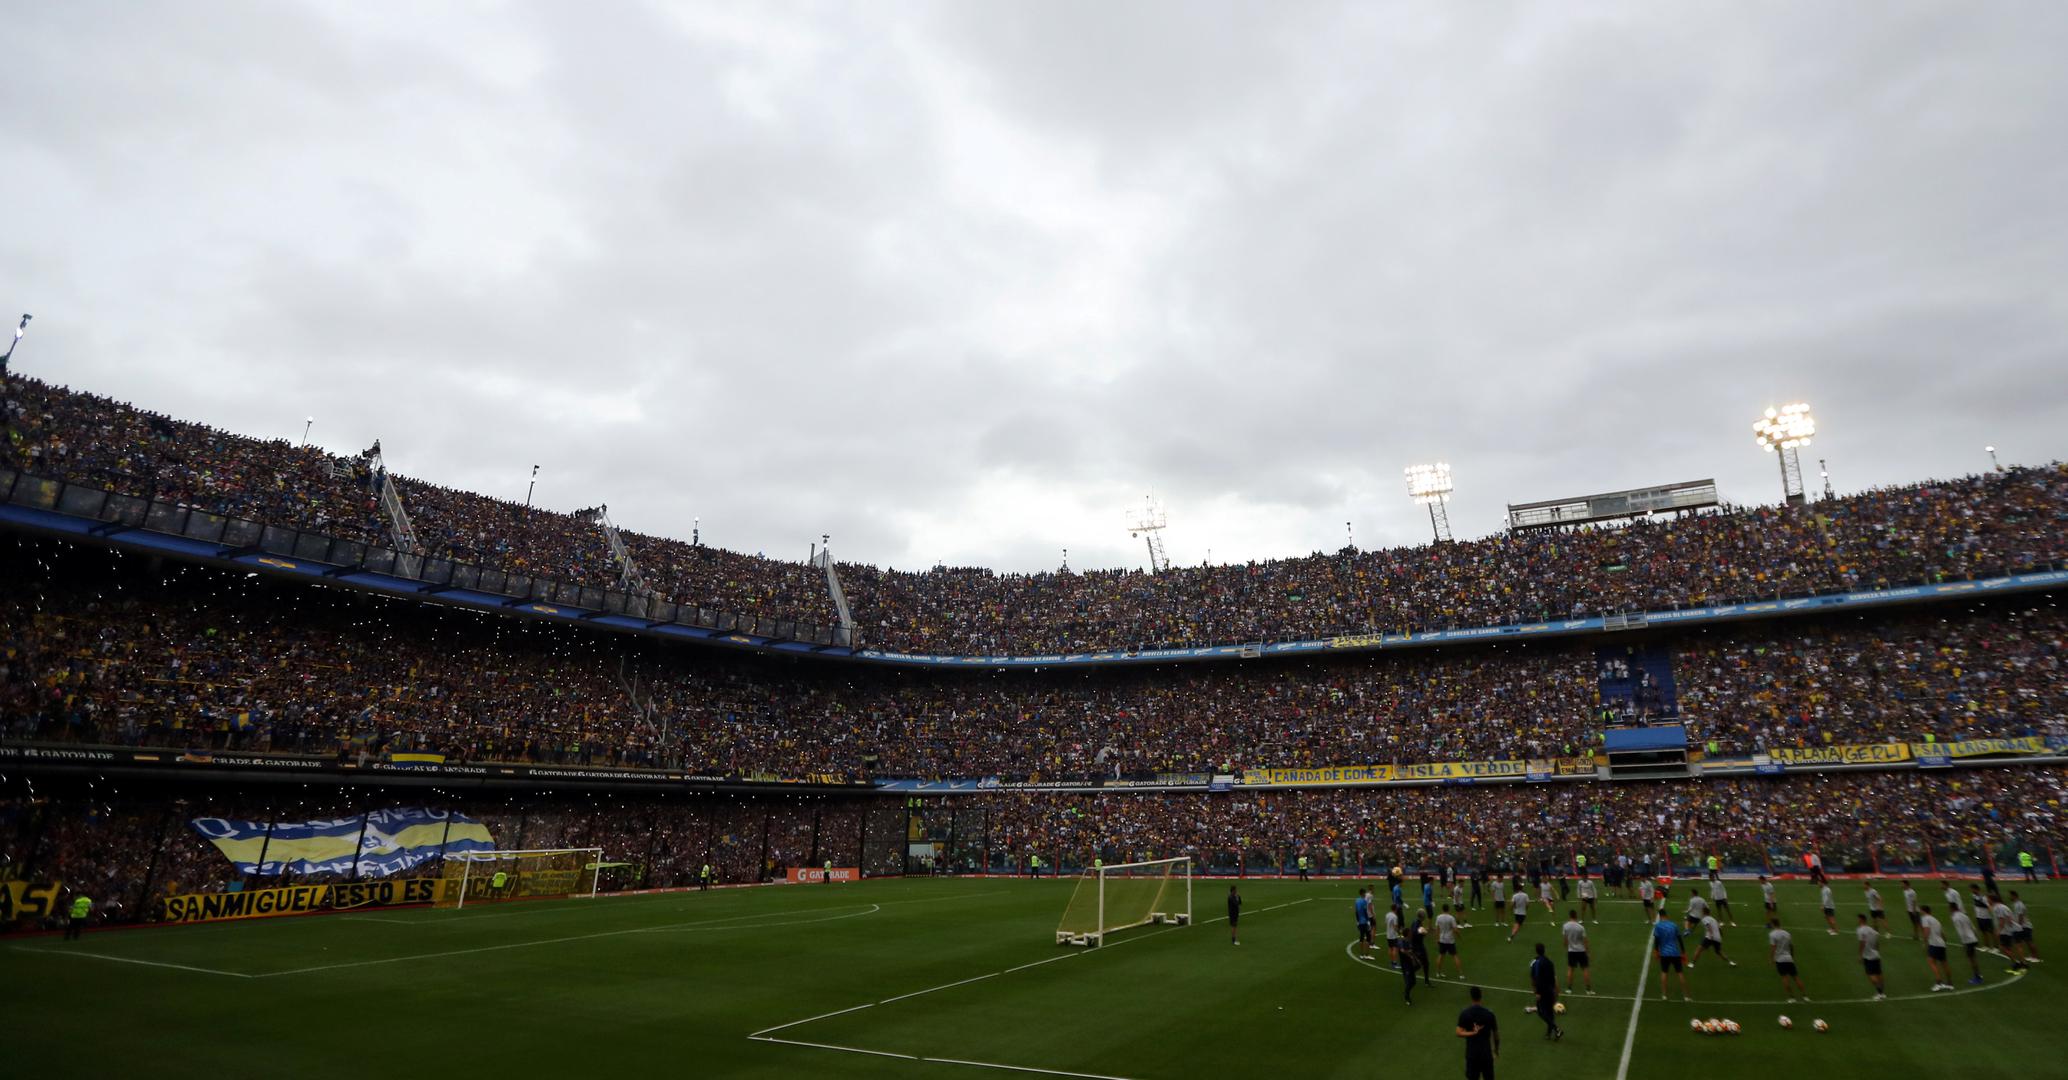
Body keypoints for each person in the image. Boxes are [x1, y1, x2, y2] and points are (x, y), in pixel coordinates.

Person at [1456, 986, 1500, 1080]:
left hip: (1472, 1054)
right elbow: (1496, 1035)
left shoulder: (1465, 1013)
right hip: (1486, 1054)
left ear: (1471, 997)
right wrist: (1496, 1050)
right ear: (1481, 996)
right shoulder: (1489, 1014)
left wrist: (1472, 1033)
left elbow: (1459, 1033)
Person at [1652, 911, 1690, 1001]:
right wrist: (1683, 952)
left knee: (1664, 972)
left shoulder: (1658, 926)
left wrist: (1656, 952)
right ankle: (1686, 996)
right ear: (1667, 915)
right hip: (1675, 952)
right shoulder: (1674, 925)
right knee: (1680, 973)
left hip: (1664, 953)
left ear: (1660, 916)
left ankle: (1664, 995)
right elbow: (1679, 939)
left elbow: (1657, 940)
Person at [1529, 943, 1563, 1040]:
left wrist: (1537, 991)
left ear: (1536, 950)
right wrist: (1556, 990)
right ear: (1544, 950)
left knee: (1540, 1011)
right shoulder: (1549, 962)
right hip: (1550, 989)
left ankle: (1557, 1029)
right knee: (1549, 1012)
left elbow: (1535, 978)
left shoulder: (1535, 962)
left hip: (1542, 990)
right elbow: (1554, 977)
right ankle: (1549, 1034)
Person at [1769, 919, 1809, 1002]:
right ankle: (1805, 996)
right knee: (1796, 977)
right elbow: (1791, 946)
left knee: (1785, 978)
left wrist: (1772, 958)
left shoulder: (1772, 934)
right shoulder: (1787, 933)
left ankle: (1792, 997)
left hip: (1780, 960)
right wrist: (1792, 956)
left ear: (1773, 924)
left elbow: (1773, 948)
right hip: (1789, 958)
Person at [1990, 894, 2028, 973]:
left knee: (2005, 947)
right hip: (2012, 929)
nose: (1987, 901)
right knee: (2012, 947)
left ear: (1992, 899)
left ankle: (2019, 963)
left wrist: (1998, 931)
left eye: (1988, 899)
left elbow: (2002, 920)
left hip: (2010, 930)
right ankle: (2020, 963)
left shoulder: (1998, 907)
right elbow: (2008, 919)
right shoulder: (2002, 906)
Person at [1921, 905, 1953, 991]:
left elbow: (1926, 930)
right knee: (1944, 963)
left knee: (1931, 962)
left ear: (1924, 911)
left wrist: (1925, 942)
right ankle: (1950, 983)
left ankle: (1939, 983)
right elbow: (1942, 933)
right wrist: (1944, 942)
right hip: (1941, 944)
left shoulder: (1925, 919)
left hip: (1934, 944)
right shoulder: (1936, 920)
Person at [1561, 910, 1593, 994]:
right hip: (1581, 950)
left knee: (1570, 969)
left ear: (1569, 916)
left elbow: (1565, 939)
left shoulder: (1565, 926)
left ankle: (1569, 989)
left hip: (1571, 950)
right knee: (1585, 969)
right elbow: (1585, 941)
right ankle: (1588, 989)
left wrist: (1566, 947)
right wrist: (1588, 952)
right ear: (1576, 916)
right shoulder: (1580, 927)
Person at [1856, 914, 1887, 1001]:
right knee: (1879, 974)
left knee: (1871, 975)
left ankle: (1879, 993)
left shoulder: (1860, 930)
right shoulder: (1872, 930)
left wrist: (1860, 955)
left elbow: (1862, 943)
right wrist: (1877, 951)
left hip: (1868, 956)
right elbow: (1877, 943)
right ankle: (1882, 993)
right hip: (1876, 955)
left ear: (1861, 920)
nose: (1857, 921)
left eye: (1858, 919)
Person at [1950, 904, 1983, 985]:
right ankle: (1978, 975)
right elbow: (1973, 927)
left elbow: (1960, 932)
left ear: (1952, 909)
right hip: (1973, 938)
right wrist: (1976, 937)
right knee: (1973, 958)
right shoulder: (1964, 916)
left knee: (1971, 959)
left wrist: (1963, 943)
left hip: (1968, 941)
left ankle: (1977, 977)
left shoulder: (1955, 918)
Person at [1436, 903, 1465, 979]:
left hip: (1442, 939)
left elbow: (1437, 929)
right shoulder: (1451, 918)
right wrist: (1460, 937)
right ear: (1448, 909)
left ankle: (1438, 973)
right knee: (1455, 956)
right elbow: (1455, 930)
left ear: (1442, 909)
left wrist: (1437, 938)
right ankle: (1460, 974)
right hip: (1450, 940)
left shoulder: (1438, 917)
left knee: (1441, 956)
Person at [2009, 891, 2039, 961]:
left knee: (2029, 941)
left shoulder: (2019, 905)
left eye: (2010, 896)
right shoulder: (2017, 904)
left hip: (2025, 926)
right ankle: (2032, 956)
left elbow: (2021, 916)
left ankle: (2035, 957)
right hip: (2023, 926)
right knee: (2027, 941)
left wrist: (2018, 926)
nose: (2010, 897)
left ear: (2014, 896)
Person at [1356, 888, 1375, 959]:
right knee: (1368, 938)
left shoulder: (1356, 901)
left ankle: (1361, 954)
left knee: (1361, 937)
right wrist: (1368, 921)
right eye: (1364, 893)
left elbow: (1356, 912)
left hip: (1360, 922)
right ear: (1362, 893)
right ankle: (1367, 955)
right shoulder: (1364, 901)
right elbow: (1365, 912)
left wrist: (1357, 921)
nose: (1365, 895)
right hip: (1364, 922)